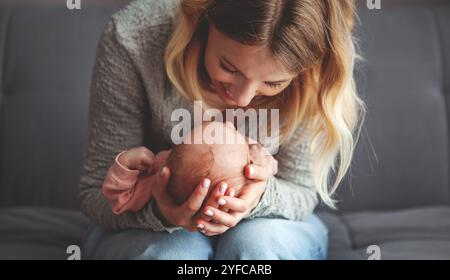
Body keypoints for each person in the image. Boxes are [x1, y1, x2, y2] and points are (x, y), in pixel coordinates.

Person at [80, 0, 365, 260]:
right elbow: (95, 196)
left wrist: (261, 196)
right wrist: (158, 212)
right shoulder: (134, 38)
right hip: (148, 232)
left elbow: (300, 191)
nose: (242, 98)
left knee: (258, 248)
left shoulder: (312, 71)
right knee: (173, 255)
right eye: (228, 67)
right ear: (202, 20)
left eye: (274, 83)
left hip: (267, 228)